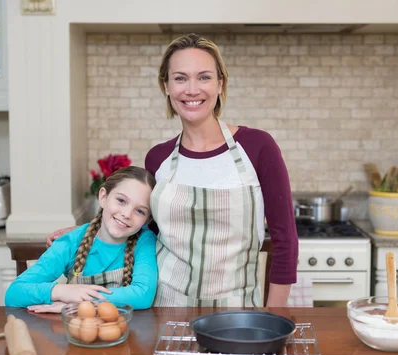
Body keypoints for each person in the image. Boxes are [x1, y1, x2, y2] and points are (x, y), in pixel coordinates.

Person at [47, 33, 298, 307]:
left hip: (237, 312)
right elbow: (145, 226)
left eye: (204, 77)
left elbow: (285, 240)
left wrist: (274, 317)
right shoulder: (159, 158)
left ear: (220, 84)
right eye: (180, 78)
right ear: (166, 86)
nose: (192, 89)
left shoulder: (258, 147)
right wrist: (87, 231)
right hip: (164, 309)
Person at [5, 166, 158, 312]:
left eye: (139, 211)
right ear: (103, 197)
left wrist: (79, 303)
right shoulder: (70, 242)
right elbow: (14, 293)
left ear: (147, 220)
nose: (127, 214)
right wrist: (61, 291)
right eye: (121, 201)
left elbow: (143, 295)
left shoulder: (144, 241)